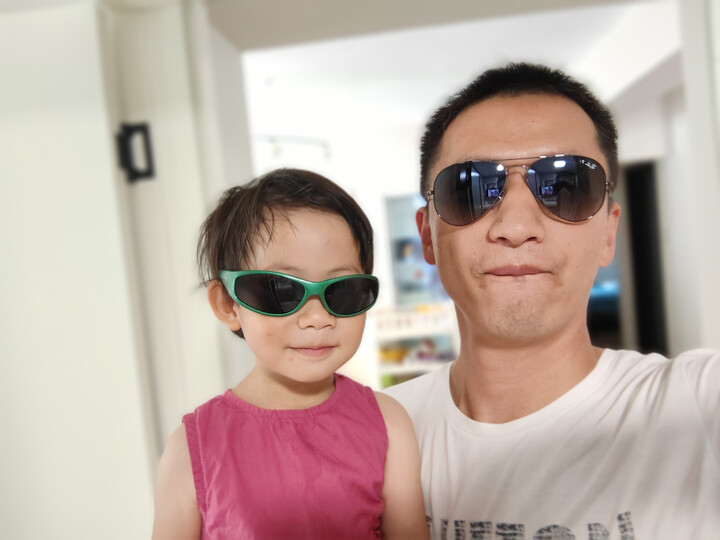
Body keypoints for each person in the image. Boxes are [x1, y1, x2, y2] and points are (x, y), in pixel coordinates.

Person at [384, 62, 720, 539]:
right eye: (470, 189)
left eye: (567, 186)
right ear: (428, 237)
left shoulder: (696, 408)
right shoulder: (373, 435)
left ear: (608, 233)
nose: (516, 227)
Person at [152, 169, 429, 539]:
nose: (317, 318)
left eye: (342, 290)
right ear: (228, 304)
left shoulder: (389, 424)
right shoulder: (192, 449)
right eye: (281, 291)